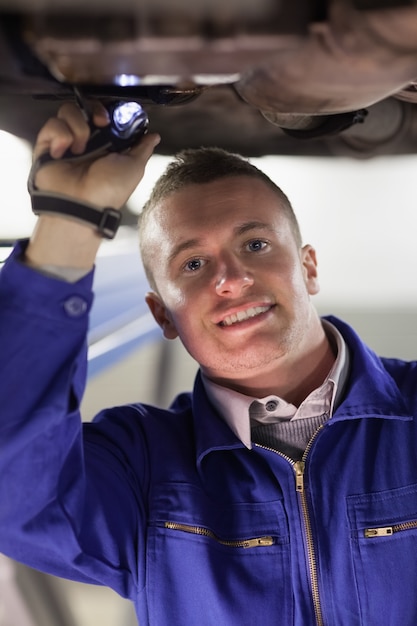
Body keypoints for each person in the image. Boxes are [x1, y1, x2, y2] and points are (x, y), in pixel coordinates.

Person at [1, 102, 417, 626]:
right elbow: (15, 491)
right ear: (163, 315)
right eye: (192, 264)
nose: (231, 277)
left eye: (256, 244)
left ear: (308, 267)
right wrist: (69, 221)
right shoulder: (143, 468)